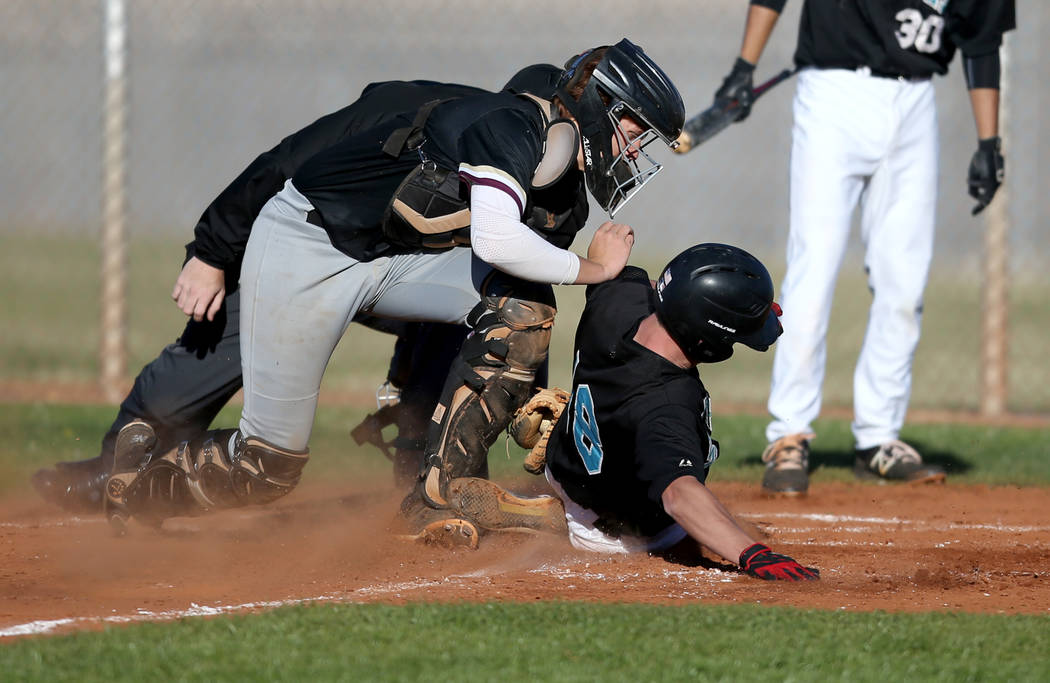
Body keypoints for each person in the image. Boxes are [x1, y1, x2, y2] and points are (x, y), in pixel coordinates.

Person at [100, 39, 687, 536]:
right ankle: (139, 480)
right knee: (266, 468)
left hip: (391, 263)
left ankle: (441, 487)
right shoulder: (512, 125)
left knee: (522, 309)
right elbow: (497, 241)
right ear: (598, 105)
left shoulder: (562, 184)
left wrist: (520, 397)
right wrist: (596, 269)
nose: (636, 149)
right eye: (635, 129)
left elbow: (519, 269)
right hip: (306, 250)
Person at [31, 64, 573, 513]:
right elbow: (289, 160)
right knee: (222, 338)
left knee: (490, 310)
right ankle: (115, 468)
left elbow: (520, 294)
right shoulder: (425, 108)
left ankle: (427, 473)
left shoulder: (555, 184)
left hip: (405, 272)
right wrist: (213, 251)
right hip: (318, 244)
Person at [690, 0, 1015, 495]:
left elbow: (982, 42)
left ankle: (878, 439)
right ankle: (788, 435)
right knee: (813, 271)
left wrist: (989, 142)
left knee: (903, 283)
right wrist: (744, 65)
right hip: (833, 92)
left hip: (915, 103)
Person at [434, 243, 819, 580]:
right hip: (618, 530)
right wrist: (752, 555)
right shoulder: (665, 406)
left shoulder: (617, 302)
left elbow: (611, 253)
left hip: (571, 460)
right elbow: (680, 497)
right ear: (708, 339)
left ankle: (565, 492)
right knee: (710, 531)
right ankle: (554, 522)